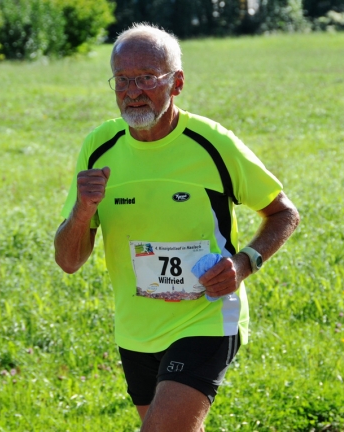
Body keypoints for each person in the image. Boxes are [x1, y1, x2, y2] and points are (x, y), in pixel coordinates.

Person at [54, 23, 300, 431]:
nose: (133, 91)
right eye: (123, 80)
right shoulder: (98, 148)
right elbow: (68, 260)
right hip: (136, 330)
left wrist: (243, 264)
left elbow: (284, 212)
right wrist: (81, 212)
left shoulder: (213, 144)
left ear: (177, 82)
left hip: (206, 318)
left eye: (147, 78)